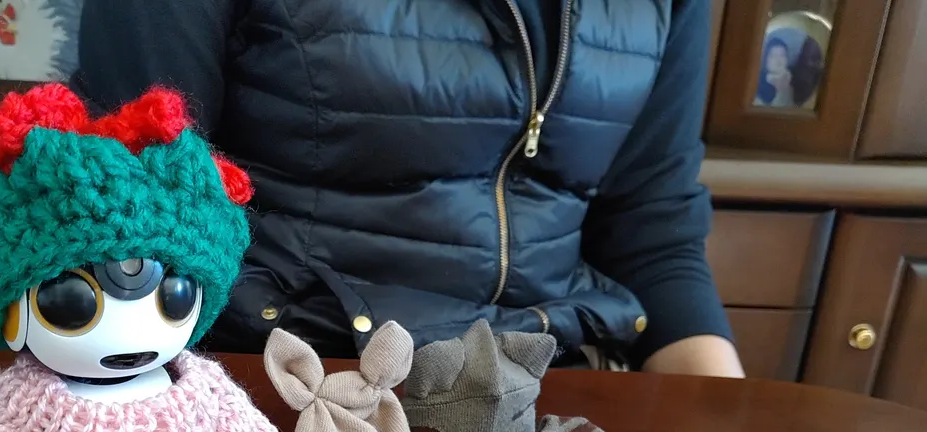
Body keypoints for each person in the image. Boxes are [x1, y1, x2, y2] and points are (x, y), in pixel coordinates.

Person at [73, 0, 745, 377]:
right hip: (297, 378)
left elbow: (649, 226)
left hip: (555, 381)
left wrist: (720, 421)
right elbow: (133, 213)